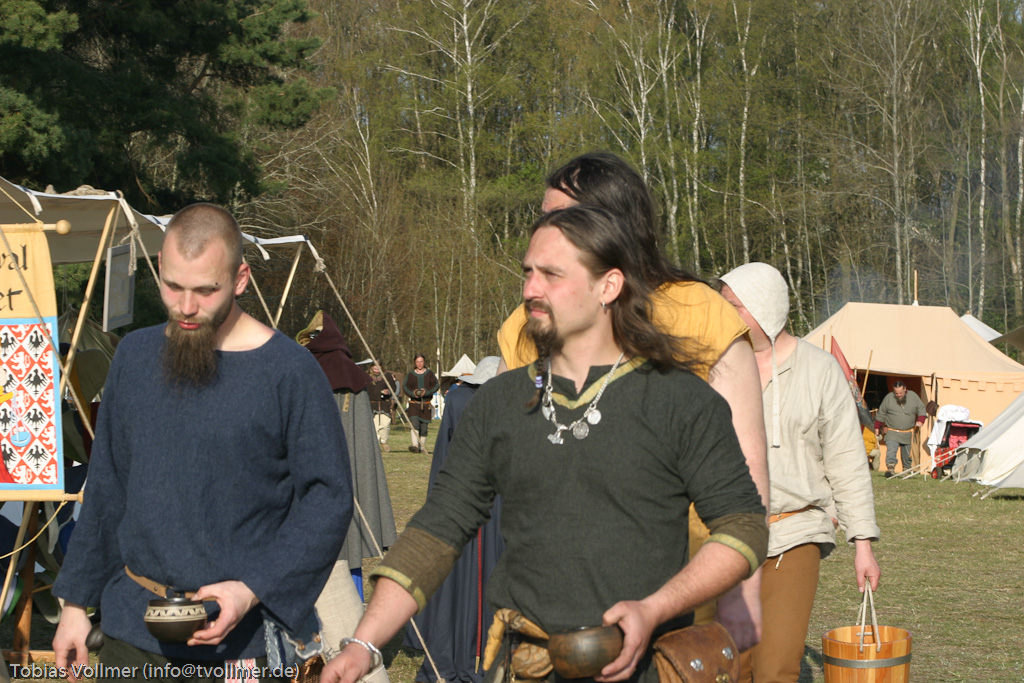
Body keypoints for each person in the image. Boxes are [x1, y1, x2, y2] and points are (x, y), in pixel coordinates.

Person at [320, 205, 767, 683]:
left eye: (552, 274)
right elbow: (438, 528)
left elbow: (743, 525)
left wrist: (656, 607)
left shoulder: (680, 400)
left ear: (609, 286)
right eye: (528, 273)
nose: (531, 289)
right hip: (526, 667)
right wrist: (364, 643)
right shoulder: (498, 403)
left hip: (646, 668)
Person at [51, 203, 353, 682]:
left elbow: (327, 499)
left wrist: (252, 588)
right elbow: (108, 485)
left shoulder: (289, 372)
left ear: (240, 279)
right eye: (173, 286)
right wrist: (74, 604)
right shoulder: (134, 357)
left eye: (206, 290)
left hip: (243, 646)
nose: (186, 307)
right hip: (131, 634)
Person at [495, 151, 768, 647]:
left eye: (562, 216)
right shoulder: (526, 323)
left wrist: (741, 593)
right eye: (543, 216)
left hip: (679, 587)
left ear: (614, 224)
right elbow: (504, 450)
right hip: (548, 598)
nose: (545, 229)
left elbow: (748, 468)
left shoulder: (701, 312)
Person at [717, 262, 881, 683]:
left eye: (734, 305)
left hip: (794, 531)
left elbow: (846, 459)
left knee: (776, 667)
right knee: (728, 667)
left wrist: (862, 543)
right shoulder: (714, 365)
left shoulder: (820, 370)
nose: (723, 314)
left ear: (765, 307)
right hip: (725, 536)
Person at [404, 356, 503, 683]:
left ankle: (471, 647)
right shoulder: (476, 401)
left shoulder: (459, 399)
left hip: (467, 497)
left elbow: (443, 456)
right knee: (472, 571)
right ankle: (471, 648)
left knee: (468, 573)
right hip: (484, 499)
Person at [297, 311, 398, 599]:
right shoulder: (351, 374)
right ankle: (352, 604)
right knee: (348, 539)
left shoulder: (305, 369)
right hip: (343, 473)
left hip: (317, 476)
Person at [874, 380, 927, 476]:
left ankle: (906, 470)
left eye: (900, 393)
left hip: (908, 432)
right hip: (892, 431)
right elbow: (882, 412)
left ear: (905, 389)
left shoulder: (913, 396)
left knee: (907, 454)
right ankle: (890, 468)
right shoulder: (888, 398)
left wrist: (921, 420)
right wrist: (877, 427)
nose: (898, 395)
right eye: (896, 393)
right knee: (891, 450)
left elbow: (921, 409)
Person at [404, 354, 438, 453]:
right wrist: (413, 393)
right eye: (417, 362)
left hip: (426, 405)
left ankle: (421, 447)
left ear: (424, 362)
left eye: (421, 361)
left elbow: (436, 385)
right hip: (414, 404)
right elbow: (405, 386)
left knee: (424, 428)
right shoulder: (411, 374)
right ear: (415, 362)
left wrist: (426, 392)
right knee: (415, 423)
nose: (419, 364)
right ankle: (415, 445)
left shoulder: (430, 373)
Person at [368, 363, 400, 451]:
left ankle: (384, 441)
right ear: (371, 367)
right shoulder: (367, 376)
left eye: (378, 367)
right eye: (374, 367)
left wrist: (388, 391)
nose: (376, 369)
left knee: (385, 424)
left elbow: (393, 388)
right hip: (372, 404)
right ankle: (375, 445)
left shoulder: (387, 376)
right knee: (375, 426)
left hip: (384, 403)